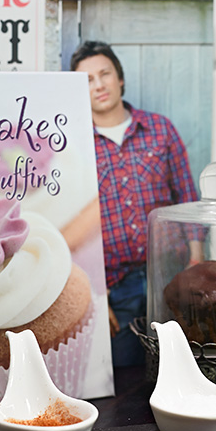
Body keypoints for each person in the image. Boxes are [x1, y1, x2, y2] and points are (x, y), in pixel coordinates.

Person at [71, 40, 203, 367]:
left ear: (120, 78)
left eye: (105, 74)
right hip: (114, 287)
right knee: (125, 375)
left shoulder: (160, 130)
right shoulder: (75, 147)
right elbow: (76, 231)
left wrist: (196, 259)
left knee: (180, 366)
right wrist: (94, 297)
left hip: (170, 275)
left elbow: (186, 196)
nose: (98, 85)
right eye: (87, 80)